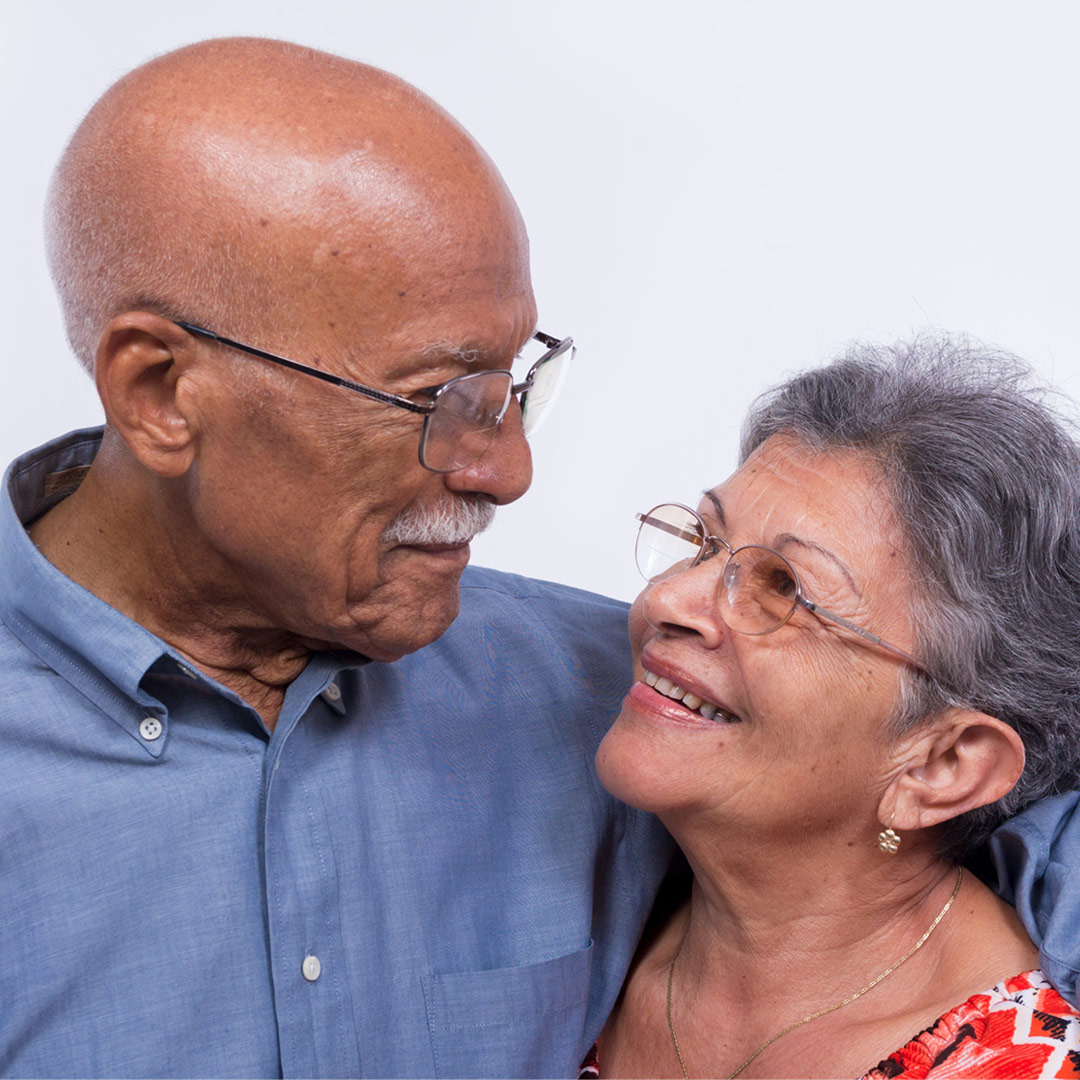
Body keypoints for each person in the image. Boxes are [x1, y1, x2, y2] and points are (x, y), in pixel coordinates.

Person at [0, 38, 674, 1078]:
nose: (508, 472)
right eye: (441, 402)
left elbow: (957, 796)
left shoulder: (619, 700)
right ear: (159, 394)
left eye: (509, 389)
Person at [588, 337, 1080, 1078]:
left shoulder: (1020, 1061)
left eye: (784, 589)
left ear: (942, 764)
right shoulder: (584, 930)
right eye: (704, 542)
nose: (666, 600)